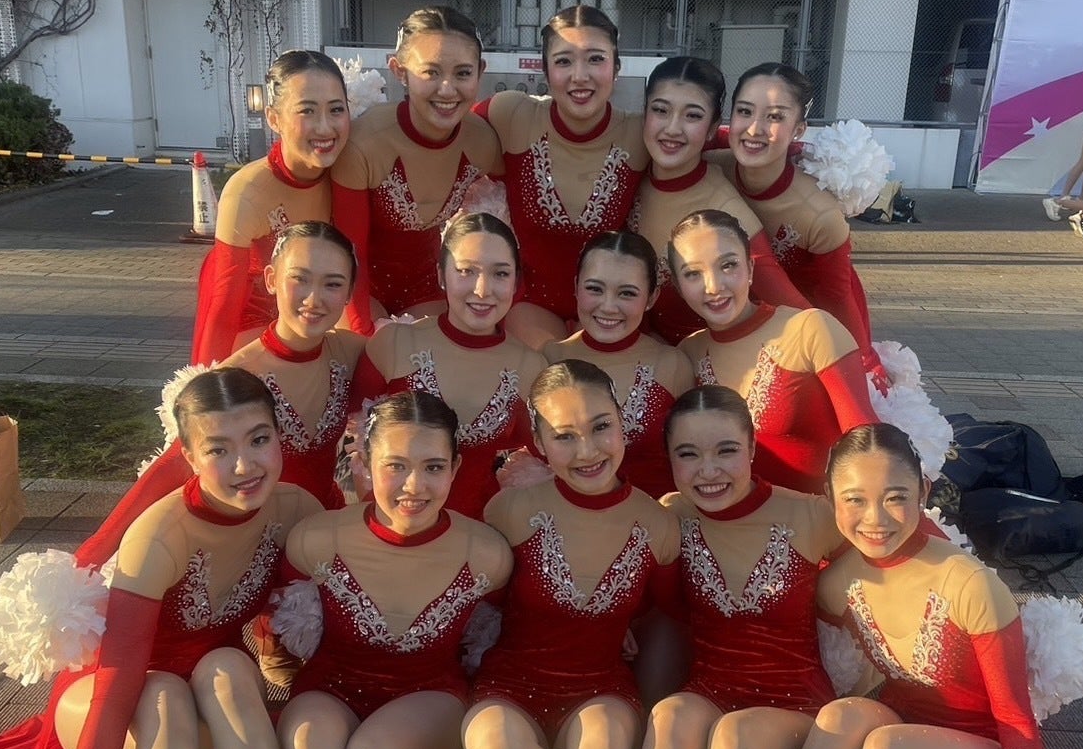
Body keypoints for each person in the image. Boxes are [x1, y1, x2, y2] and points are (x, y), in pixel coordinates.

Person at [0, 369, 322, 749]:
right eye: (218, 449)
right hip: (108, 700)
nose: (245, 466)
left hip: (212, 696)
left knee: (228, 668)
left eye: (259, 439)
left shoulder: (295, 509)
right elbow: (116, 691)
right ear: (187, 457)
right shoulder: (159, 535)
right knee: (159, 694)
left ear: (279, 436)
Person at [741, 423, 1083, 749]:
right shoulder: (838, 585)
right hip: (906, 730)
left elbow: (1015, 718)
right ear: (830, 498)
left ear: (923, 492)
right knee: (841, 717)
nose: (875, 519)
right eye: (855, 499)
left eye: (895, 497)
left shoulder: (969, 583)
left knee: (890, 747)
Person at [278, 390, 512, 749]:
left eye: (433, 467)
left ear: (457, 467)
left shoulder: (487, 553)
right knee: (308, 741)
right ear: (362, 462)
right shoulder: (316, 538)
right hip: (332, 684)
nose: (414, 486)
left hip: (428, 693)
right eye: (396, 466)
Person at [462, 359, 680, 749]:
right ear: (538, 442)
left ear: (623, 424)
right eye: (564, 436)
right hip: (513, 680)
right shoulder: (511, 512)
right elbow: (472, 595)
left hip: (601, 686)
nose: (587, 450)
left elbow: (669, 614)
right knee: (491, 747)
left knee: (604, 740)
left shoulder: (657, 525)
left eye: (601, 426)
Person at [629, 386, 843, 749]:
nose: (708, 471)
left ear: (751, 449)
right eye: (689, 455)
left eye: (725, 450)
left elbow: (904, 537)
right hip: (710, 687)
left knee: (736, 735)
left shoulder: (812, 514)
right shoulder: (673, 516)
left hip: (793, 704)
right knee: (669, 718)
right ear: (670, 460)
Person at [76, 222, 365, 574]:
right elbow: (174, 466)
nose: (313, 299)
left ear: (349, 292)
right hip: (259, 541)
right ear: (271, 279)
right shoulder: (237, 375)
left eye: (332, 284)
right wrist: (90, 557)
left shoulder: (352, 352)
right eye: (299, 279)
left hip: (324, 528)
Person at [349, 212, 545, 519]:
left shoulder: (530, 367)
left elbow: (551, 453)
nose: (482, 290)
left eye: (500, 273)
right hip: (392, 524)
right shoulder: (395, 342)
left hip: (479, 529)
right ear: (441, 275)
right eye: (466, 271)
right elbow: (351, 430)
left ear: (516, 282)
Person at [474, 5, 647, 347]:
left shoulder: (640, 133)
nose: (579, 76)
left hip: (613, 308)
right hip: (531, 306)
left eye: (595, 59)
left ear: (616, 68)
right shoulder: (512, 114)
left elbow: (709, 144)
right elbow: (446, 132)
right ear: (546, 69)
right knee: (554, 370)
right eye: (564, 61)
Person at [671, 210, 879, 494]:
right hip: (724, 518)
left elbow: (869, 444)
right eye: (693, 274)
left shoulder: (810, 328)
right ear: (678, 287)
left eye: (728, 265)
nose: (714, 286)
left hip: (818, 516)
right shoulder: (688, 354)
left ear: (750, 269)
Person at [332, 6, 505, 335]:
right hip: (357, 282)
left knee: (442, 351)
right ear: (399, 71)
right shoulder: (365, 142)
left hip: (427, 284)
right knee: (371, 351)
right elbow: (348, 253)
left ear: (480, 72)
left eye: (463, 73)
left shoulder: (483, 142)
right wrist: (364, 333)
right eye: (431, 73)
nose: (447, 89)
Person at [712, 63, 880, 377]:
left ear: (799, 129)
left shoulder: (819, 213)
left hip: (799, 336)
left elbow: (838, 301)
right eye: (744, 111)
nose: (754, 129)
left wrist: (866, 369)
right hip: (722, 320)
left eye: (775, 117)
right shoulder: (711, 167)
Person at [191, 50, 352, 363]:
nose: (325, 128)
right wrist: (206, 382)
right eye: (307, 111)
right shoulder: (248, 191)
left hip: (323, 309)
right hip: (253, 318)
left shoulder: (352, 172)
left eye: (336, 110)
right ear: (274, 118)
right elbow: (224, 306)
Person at [634, 56, 807, 344]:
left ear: (713, 127)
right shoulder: (633, 170)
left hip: (702, 362)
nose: (672, 128)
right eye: (661, 110)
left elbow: (800, 316)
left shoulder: (725, 210)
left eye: (692, 116)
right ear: (645, 113)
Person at [544, 231, 693, 498]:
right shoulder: (549, 359)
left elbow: (691, 456)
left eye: (627, 293)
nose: (609, 307)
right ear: (576, 286)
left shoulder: (672, 364)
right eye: (595, 289)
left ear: (651, 298)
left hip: (654, 516)